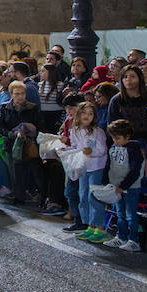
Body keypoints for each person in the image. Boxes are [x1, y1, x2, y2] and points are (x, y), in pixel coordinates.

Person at [61, 103, 109, 241]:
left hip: (96, 168)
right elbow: (76, 147)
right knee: (83, 197)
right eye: (84, 113)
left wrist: (91, 151)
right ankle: (89, 226)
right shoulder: (75, 130)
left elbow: (102, 150)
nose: (87, 116)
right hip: (83, 167)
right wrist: (66, 149)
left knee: (93, 197)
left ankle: (100, 228)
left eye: (90, 113)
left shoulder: (97, 131)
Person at [103, 119, 146, 251]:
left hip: (130, 187)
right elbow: (109, 165)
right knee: (119, 213)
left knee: (130, 214)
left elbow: (134, 170)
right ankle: (121, 236)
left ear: (127, 136)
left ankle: (134, 240)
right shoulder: (114, 147)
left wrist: (124, 185)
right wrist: (107, 182)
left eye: (118, 138)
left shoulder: (134, 149)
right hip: (116, 186)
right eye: (113, 138)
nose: (115, 141)